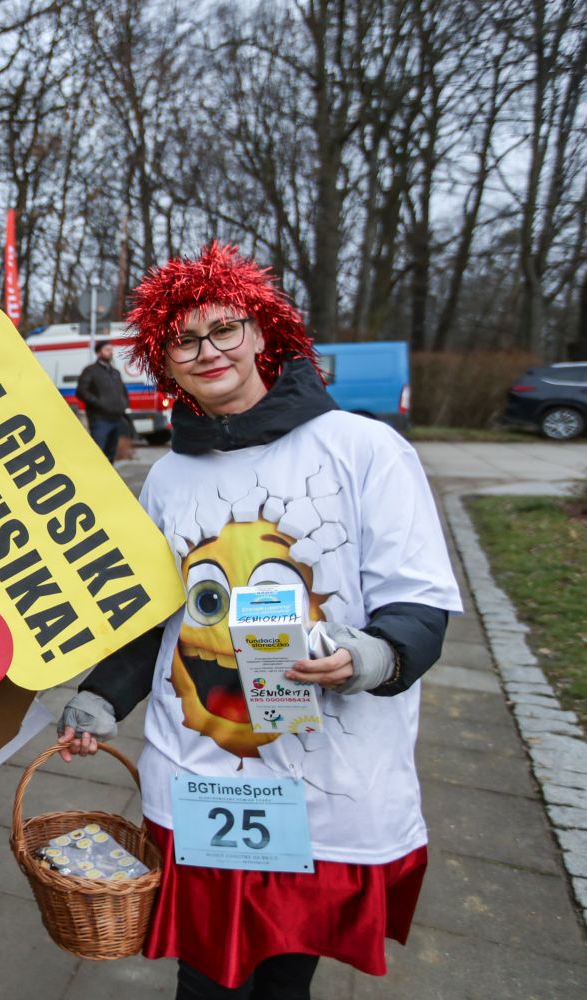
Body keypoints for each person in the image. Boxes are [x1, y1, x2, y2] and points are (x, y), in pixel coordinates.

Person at [57, 243, 460, 999]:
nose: (208, 351)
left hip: (326, 777)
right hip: (201, 773)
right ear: (164, 363)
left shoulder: (364, 448)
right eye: (184, 340)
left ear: (263, 331)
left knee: (283, 978)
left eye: (224, 329)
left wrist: (373, 657)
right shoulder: (169, 477)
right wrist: (102, 698)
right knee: (206, 975)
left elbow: (418, 599)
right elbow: (156, 617)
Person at [75, 340, 130, 461]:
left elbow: (123, 390)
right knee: (98, 453)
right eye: (107, 350)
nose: (110, 352)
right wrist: (99, 403)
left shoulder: (115, 372)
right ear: (98, 352)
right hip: (100, 419)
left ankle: (109, 473)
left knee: (111, 454)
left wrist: (124, 403)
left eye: (111, 350)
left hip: (116, 418)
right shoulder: (90, 371)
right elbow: (81, 391)